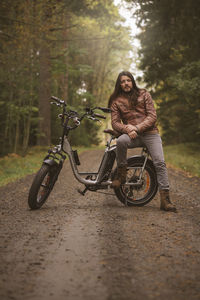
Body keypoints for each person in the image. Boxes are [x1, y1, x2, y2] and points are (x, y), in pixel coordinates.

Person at [108, 71, 176, 212]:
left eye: (128, 80)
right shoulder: (116, 101)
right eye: (122, 81)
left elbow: (152, 116)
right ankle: (121, 175)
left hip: (150, 134)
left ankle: (165, 200)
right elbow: (115, 123)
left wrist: (137, 128)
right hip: (132, 135)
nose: (126, 83)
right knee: (120, 142)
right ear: (119, 84)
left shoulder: (144, 94)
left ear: (132, 81)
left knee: (159, 162)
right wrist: (128, 129)